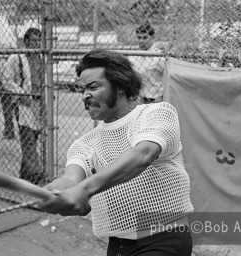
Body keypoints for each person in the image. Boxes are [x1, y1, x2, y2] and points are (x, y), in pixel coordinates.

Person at [37, 49, 194, 255]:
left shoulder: (157, 113)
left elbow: (142, 155)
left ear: (120, 86)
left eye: (93, 87)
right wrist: (54, 192)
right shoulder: (84, 144)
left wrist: (84, 190)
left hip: (164, 236)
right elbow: (72, 179)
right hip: (118, 245)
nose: (85, 96)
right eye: (82, 89)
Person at [1, 27, 44, 185]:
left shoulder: (40, 58)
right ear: (26, 41)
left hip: (38, 103)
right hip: (24, 103)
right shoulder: (16, 58)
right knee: (28, 138)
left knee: (34, 136)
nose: (36, 43)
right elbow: (6, 79)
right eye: (33, 40)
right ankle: (36, 174)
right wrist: (20, 93)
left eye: (38, 40)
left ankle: (25, 174)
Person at [130, 21, 165, 104]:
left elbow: (169, 78)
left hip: (156, 99)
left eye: (145, 38)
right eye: (139, 38)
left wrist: (163, 96)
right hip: (139, 99)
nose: (141, 41)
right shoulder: (134, 56)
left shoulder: (159, 57)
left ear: (152, 37)